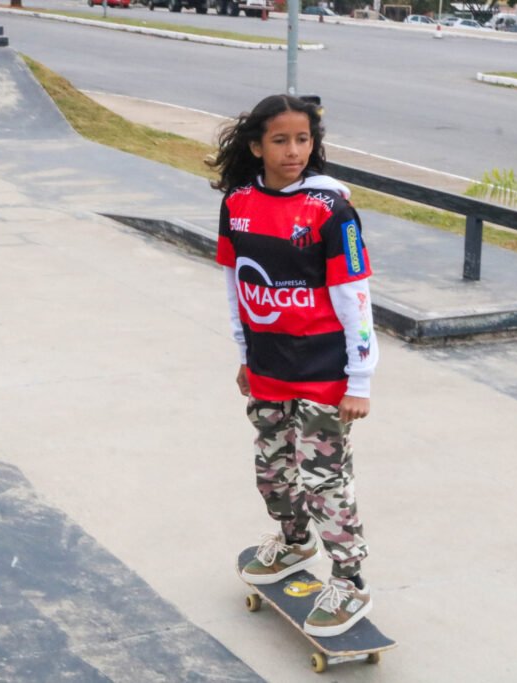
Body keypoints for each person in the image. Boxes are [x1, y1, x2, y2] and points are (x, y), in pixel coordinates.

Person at [208, 94, 380, 637]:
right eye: (281, 140)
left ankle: (350, 582)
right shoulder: (237, 204)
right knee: (274, 475)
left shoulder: (332, 212)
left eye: (303, 139)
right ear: (257, 146)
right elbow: (238, 287)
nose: (294, 151)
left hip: (325, 371)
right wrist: (244, 355)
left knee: (325, 481)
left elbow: (356, 298)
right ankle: (294, 540)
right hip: (268, 366)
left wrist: (360, 379)